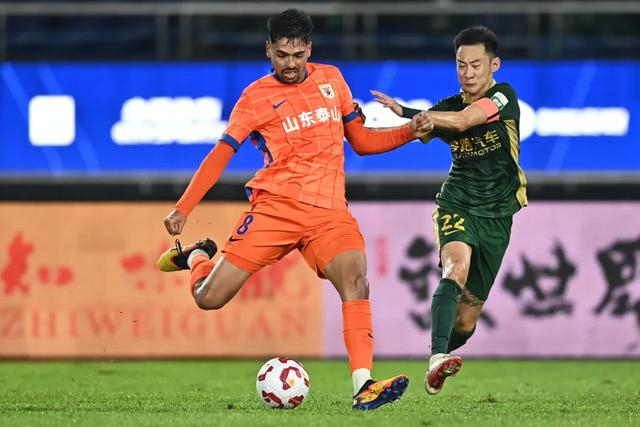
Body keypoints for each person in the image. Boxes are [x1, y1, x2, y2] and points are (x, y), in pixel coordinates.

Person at [157, 9, 430, 410]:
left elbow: (362, 142)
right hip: (276, 209)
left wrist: (409, 131)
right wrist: (184, 207)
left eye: (298, 55)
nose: (290, 63)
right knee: (208, 298)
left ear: (310, 49)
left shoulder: (332, 80)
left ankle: (364, 385)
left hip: (328, 212)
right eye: (282, 55)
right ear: (268, 49)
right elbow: (221, 154)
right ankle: (198, 256)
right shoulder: (254, 98)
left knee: (356, 282)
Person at [372, 25, 527, 395]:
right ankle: (437, 357)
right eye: (461, 65)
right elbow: (419, 130)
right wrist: (412, 121)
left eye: (476, 65)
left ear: (494, 65)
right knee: (455, 267)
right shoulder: (446, 106)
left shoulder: (504, 96)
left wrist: (411, 111)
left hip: (498, 214)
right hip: (456, 203)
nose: (468, 73)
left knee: (466, 320)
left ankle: (436, 358)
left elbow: (463, 121)